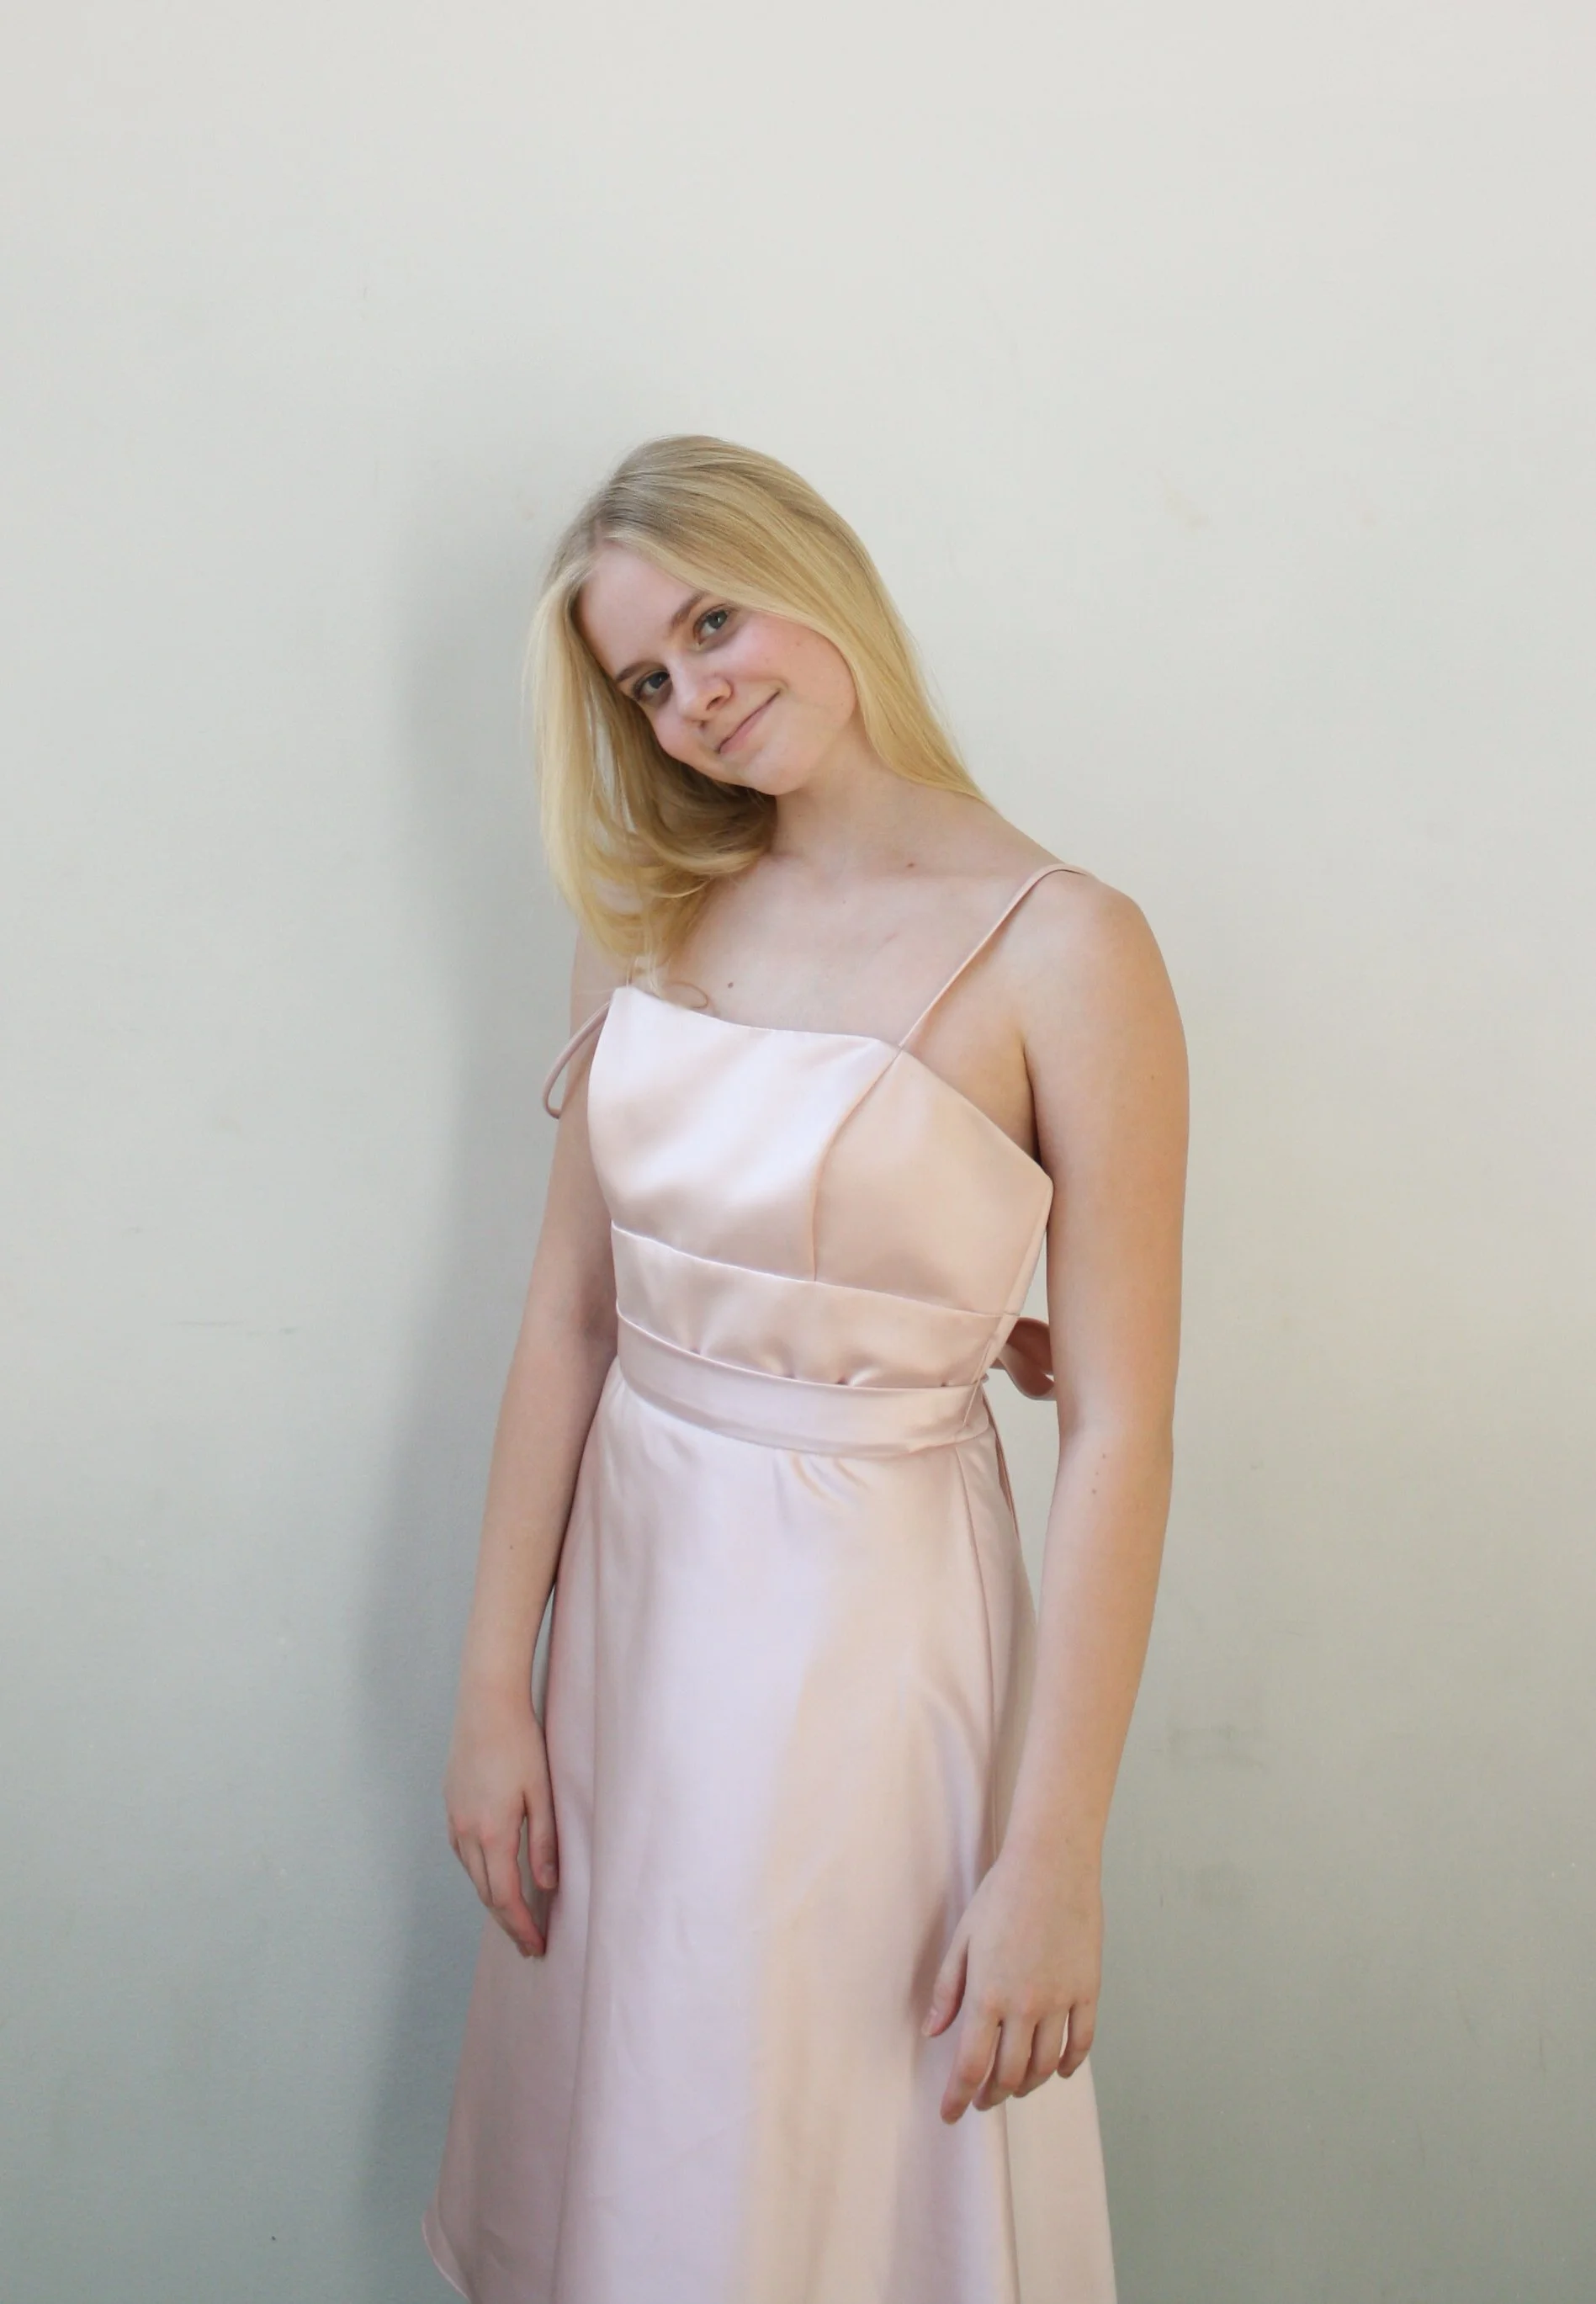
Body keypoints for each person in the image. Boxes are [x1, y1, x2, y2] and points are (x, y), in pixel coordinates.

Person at [422, 434, 1188, 2304]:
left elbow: (1120, 1423)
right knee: (642, 2111)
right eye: (646, 680)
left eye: (712, 622)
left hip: (871, 1642)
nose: (693, 696)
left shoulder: (1069, 947)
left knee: (828, 2121)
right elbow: (571, 1318)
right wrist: (494, 1688)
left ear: (814, 572)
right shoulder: (647, 915)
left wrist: (1054, 1857)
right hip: (631, 1625)